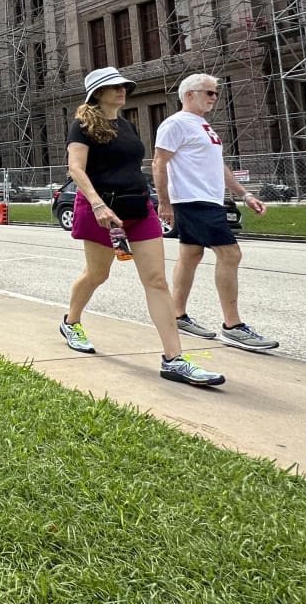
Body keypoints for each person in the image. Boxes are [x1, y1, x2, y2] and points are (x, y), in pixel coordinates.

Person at [60, 67, 225, 387]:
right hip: (102, 210)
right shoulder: (82, 126)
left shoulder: (125, 124)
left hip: (138, 206)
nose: (122, 90)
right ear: (97, 92)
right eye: (114, 87)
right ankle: (71, 321)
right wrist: (97, 204)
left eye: (124, 86)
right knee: (97, 274)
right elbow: (75, 169)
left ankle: (174, 359)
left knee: (156, 280)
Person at [153, 73, 278, 351]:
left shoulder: (204, 126)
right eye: (208, 92)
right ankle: (232, 326)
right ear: (188, 95)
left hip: (209, 199)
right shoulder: (175, 124)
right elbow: (159, 163)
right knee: (230, 253)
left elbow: (217, 166)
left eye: (215, 93)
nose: (214, 98)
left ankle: (177, 314)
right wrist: (164, 202)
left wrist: (244, 194)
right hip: (192, 199)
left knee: (190, 254)